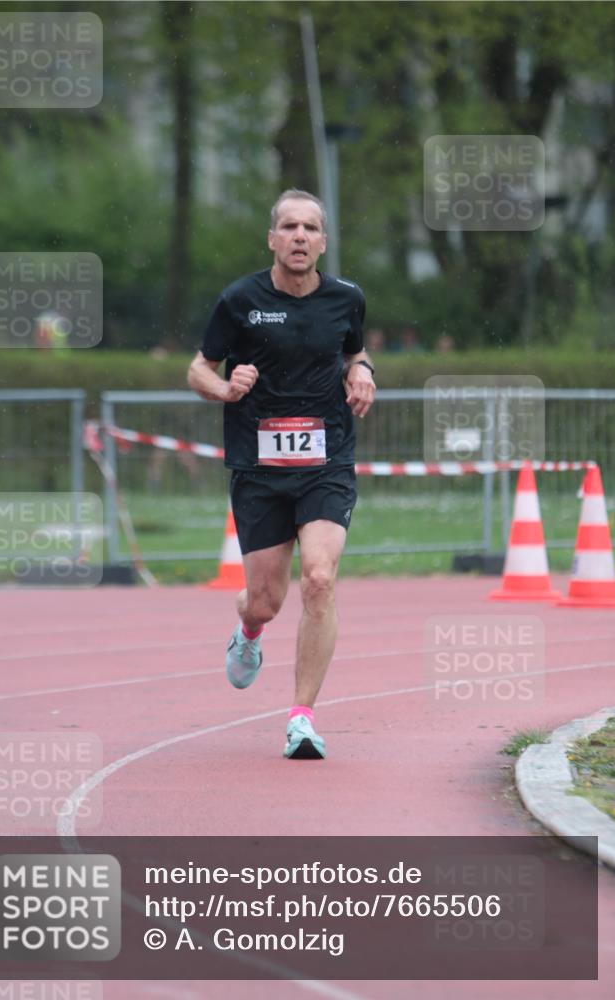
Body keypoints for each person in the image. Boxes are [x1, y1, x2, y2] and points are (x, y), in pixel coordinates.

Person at [187, 188, 375, 760]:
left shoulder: (346, 298)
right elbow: (199, 366)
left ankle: (301, 718)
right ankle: (248, 631)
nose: (299, 237)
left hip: (326, 463)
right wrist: (224, 388)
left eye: (310, 228)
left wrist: (363, 372)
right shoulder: (240, 299)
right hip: (260, 467)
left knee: (319, 578)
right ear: (272, 238)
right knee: (265, 601)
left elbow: (354, 352)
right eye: (289, 227)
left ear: (322, 241)